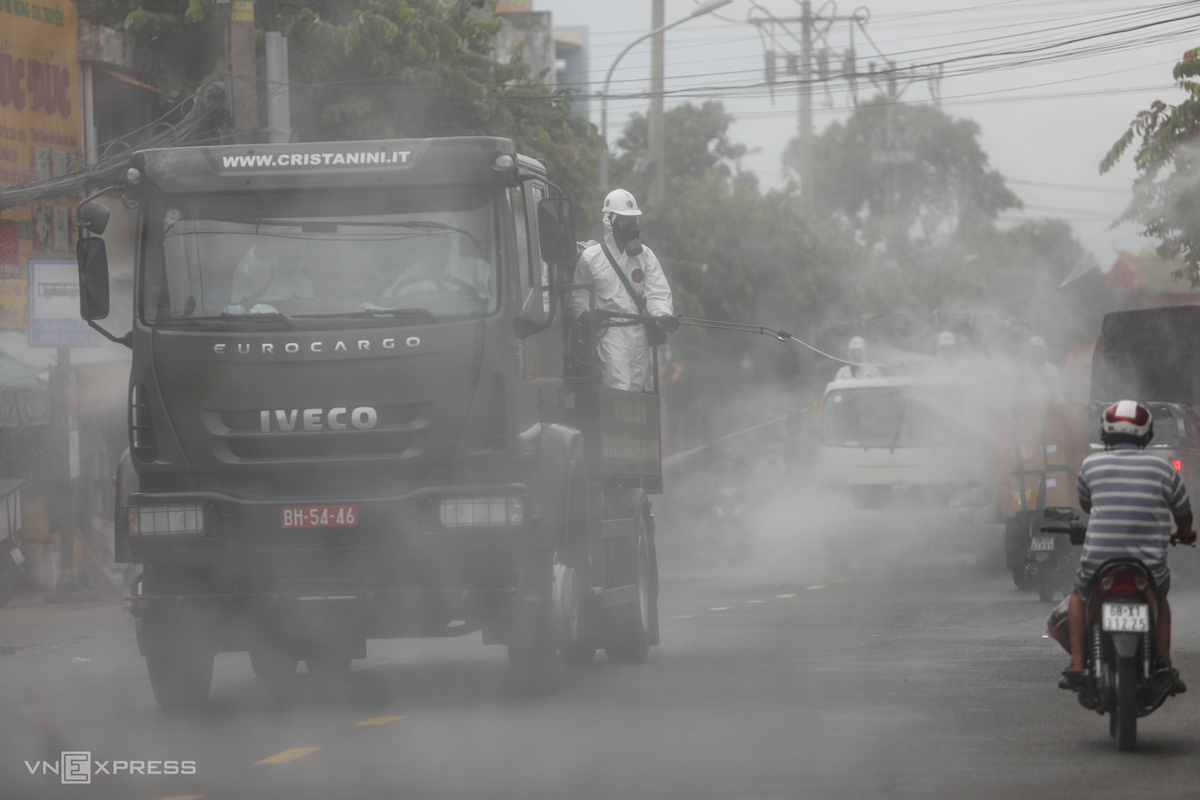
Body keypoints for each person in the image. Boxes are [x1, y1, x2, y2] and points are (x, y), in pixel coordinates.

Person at [1060, 400, 1196, 694]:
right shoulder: (1162, 468)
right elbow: (1184, 514)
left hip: (1099, 560)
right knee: (1160, 599)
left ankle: (1077, 663)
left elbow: (1087, 504)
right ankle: (1165, 663)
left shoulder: (1091, 465)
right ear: (1146, 435)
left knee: (1078, 595)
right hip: (1148, 564)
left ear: (1105, 433)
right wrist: (1183, 533)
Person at [569, 189, 676, 391]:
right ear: (610, 220)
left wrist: (662, 315)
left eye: (632, 220)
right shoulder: (591, 257)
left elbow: (657, 293)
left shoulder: (645, 256)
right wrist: (585, 315)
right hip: (612, 331)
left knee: (635, 387)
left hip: (640, 332)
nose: (629, 227)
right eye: (624, 221)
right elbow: (579, 296)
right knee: (619, 385)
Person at [229, 236, 314, 311]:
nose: (289, 249)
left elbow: (312, 313)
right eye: (285, 244)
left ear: (301, 252)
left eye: (297, 247)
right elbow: (255, 261)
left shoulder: (304, 282)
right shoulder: (256, 268)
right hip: (247, 325)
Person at [1022, 335, 1065, 404]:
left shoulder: (1052, 369)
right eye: (1036, 349)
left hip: (1050, 408)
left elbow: (1058, 392)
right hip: (1029, 409)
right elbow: (1019, 393)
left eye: (1041, 349)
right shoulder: (1024, 369)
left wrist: (1060, 406)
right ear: (1030, 351)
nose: (1039, 352)